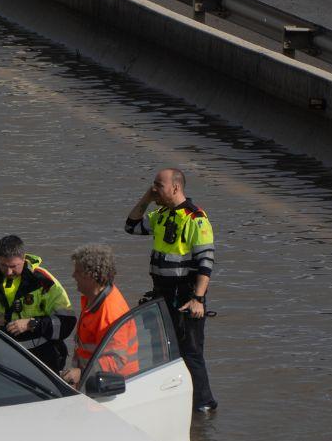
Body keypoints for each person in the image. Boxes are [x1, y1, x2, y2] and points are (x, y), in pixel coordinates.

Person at [125, 167, 218, 412]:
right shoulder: (161, 214)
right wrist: (147, 197)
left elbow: (205, 263)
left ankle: (203, 407)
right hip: (161, 295)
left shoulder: (196, 217)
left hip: (186, 297)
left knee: (191, 353)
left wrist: (198, 298)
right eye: (153, 185)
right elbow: (131, 226)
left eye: (159, 185)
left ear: (175, 187)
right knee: (163, 353)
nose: (155, 188)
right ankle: (173, 404)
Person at [0, 235, 75, 372]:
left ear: (24, 258)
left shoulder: (44, 282)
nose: (8, 272)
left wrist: (32, 324)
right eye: (3, 266)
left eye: (14, 266)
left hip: (39, 359)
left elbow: (67, 322)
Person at [60, 243, 139, 388]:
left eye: (77, 271)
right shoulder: (92, 297)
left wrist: (81, 372)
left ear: (90, 276)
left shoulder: (110, 312)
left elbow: (116, 360)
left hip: (114, 386)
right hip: (94, 379)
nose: (73, 275)